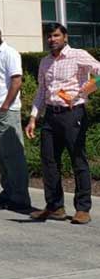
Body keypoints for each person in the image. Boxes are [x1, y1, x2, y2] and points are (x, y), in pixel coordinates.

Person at [26, 23, 100, 224]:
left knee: (78, 159)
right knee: (48, 161)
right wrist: (33, 118)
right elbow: (41, 91)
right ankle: (55, 206)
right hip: (50, 115)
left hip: (72, 114)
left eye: (56, 35)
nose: (52, 39)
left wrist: (84, 92)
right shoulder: (45, 62)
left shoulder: (78, 55)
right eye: (49, 36)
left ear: (65, 37)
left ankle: (83, 209)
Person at [0, 21, 32, 213]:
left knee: (13, 155)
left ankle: (20, 198)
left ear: (0, 34)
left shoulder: (9, 53)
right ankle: (8, 191)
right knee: (1, 155)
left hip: (6, 112)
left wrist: (4, 106)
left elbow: (16, 81)